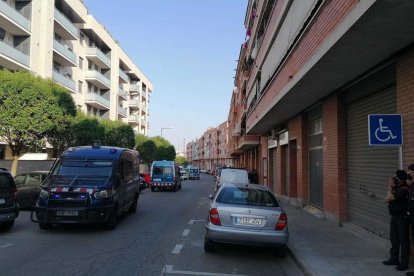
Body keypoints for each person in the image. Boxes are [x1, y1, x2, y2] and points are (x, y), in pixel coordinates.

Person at [383, 169, 410, 272]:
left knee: (403, 241)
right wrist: (391, 188)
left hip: (402, 218)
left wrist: (390, 186)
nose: (394, 179)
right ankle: (394, 258)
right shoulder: (396, 187)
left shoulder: (404, 189)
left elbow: (389, 197)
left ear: (401, 179)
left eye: (396, 177)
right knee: (394, 238)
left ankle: (404, 263)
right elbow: (386, 199)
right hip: (394, 217)